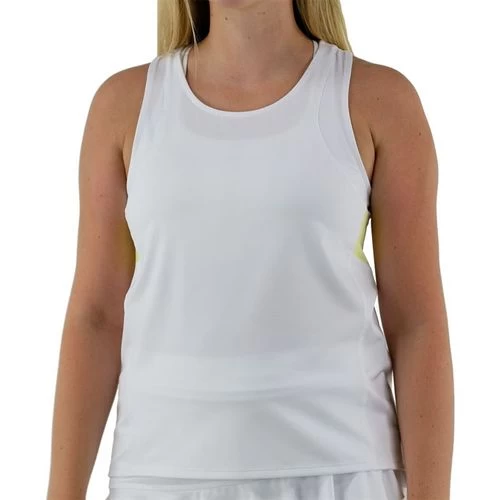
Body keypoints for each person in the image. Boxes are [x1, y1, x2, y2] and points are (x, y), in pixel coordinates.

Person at [46, 1, 454, 499]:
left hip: (341, 474)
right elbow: (96, 318)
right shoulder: (123, 108)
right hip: (158, 477)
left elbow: (416, 324)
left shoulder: (377, 102)